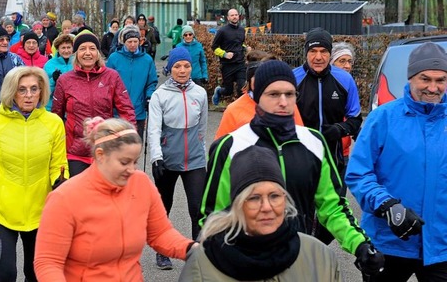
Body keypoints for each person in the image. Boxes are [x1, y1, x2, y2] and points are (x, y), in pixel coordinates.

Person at [201, 60, 386, 280]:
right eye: (274, 94)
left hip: (296, 260)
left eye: (290, 94)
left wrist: (360, 245)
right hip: (244, 265)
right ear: (257, 96)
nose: (283, 102)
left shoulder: (313, 142)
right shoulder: (230, 146)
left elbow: (332, 206)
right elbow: (212, 217)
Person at [34, 117, 195, 281]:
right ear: (100, 155)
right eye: (124, 162)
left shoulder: (141, 184)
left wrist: (193, 250)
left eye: (135, 162)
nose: (132, 170)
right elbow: (48, 262)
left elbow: (161, 233)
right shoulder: (64, 198)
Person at [346, 42, 447, 282]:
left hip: (441, 245)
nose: (433, 87)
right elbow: (359, 173)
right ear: (411, 77)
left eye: (440, 80)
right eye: (425, 79)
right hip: (388, 242)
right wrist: (387, 205)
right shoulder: (382, 118)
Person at [180, 146, 344, 281]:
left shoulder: (320, 258)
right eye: (254, 198)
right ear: (237, 206)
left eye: (274, 196)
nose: (266, 207)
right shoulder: (202, 263)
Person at [0, 66, 68, 282]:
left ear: (42, 91)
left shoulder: (54, 123)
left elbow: (59, 163)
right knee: (5, 274)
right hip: (1, 211)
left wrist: (60, 182)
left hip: (40, 211)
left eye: (34, 89)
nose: (29, 95)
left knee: (36, 274)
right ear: (11, 92)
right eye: (22, 90)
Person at [148, 46, 208, 270]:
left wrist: (202, 154)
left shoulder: (200, 93)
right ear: (170, 68)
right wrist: (156, 157)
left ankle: (197, 253)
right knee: (163, 207)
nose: (182, 70)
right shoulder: (159, 95)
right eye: (177, 66)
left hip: (194, 160)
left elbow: (202, 129)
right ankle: (161, 251)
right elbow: (153, 129)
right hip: (167, 160)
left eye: (186, 66)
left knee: (198, 209)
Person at [52, 30, 136, 176]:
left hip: (106, 149)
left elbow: (126, 111)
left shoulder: (112, 77)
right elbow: (56, 117)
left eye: (92, 48)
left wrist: (129, 140)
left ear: (98, 52)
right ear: (76, 53)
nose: (87, 53)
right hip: (75, 153)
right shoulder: (65, 80)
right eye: (82, 49)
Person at [293, 27, 362, 188]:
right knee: (302, 211)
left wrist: (338, 130)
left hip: (333, 158)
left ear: (330, 53)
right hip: (299, 158)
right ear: (306, 53)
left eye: (324, 51)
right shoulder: (292, 78)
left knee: (334, 208)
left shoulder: (345, 79)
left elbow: (355, 119)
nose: (318, 57)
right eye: (313, 51)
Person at [214, 51, 304, 139]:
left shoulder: (287, 105)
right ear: (249, 79)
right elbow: (221, 148)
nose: (262, 81)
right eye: (256, 76)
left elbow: (300, 139)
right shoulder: (234, 110)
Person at [106, 24, 157, 138]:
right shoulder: (114, 58)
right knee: (118, 148)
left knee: (135, 147)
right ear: (124, 42)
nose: (133, 45)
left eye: (135, 41)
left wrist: (149, 96)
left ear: (140, 41)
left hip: (138, 111)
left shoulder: (147, 60)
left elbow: (151, 82)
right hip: (117, 112)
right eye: (130, 42)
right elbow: (107, 82)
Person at [211, 8, 247, 105]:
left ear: (238, 16)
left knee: (242, 89)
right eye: (232, 15)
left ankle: (241, 109)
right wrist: (224, 54)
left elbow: (240, 44)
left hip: (240, 63)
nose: (234, 17)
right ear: (228, 17)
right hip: (227, 65)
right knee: (228, 91)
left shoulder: (242, 30)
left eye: (236, 15)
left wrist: (246, 48)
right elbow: (214, 47)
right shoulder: (222, 31)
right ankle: (219, 91)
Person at [330, 41, 356, 165]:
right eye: (342, 61)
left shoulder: (349, 84)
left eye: (349, 61)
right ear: (331, 63)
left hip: (344, 152)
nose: (347, 66)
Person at [43, 34, 74, 111]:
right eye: (63, 48)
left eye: (69, 47)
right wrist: (53, 80)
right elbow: (44, 91)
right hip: (52, 106)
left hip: (72, 107)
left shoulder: (78, 63)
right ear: (58, 49)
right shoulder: (49, 65)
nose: (66, 51)